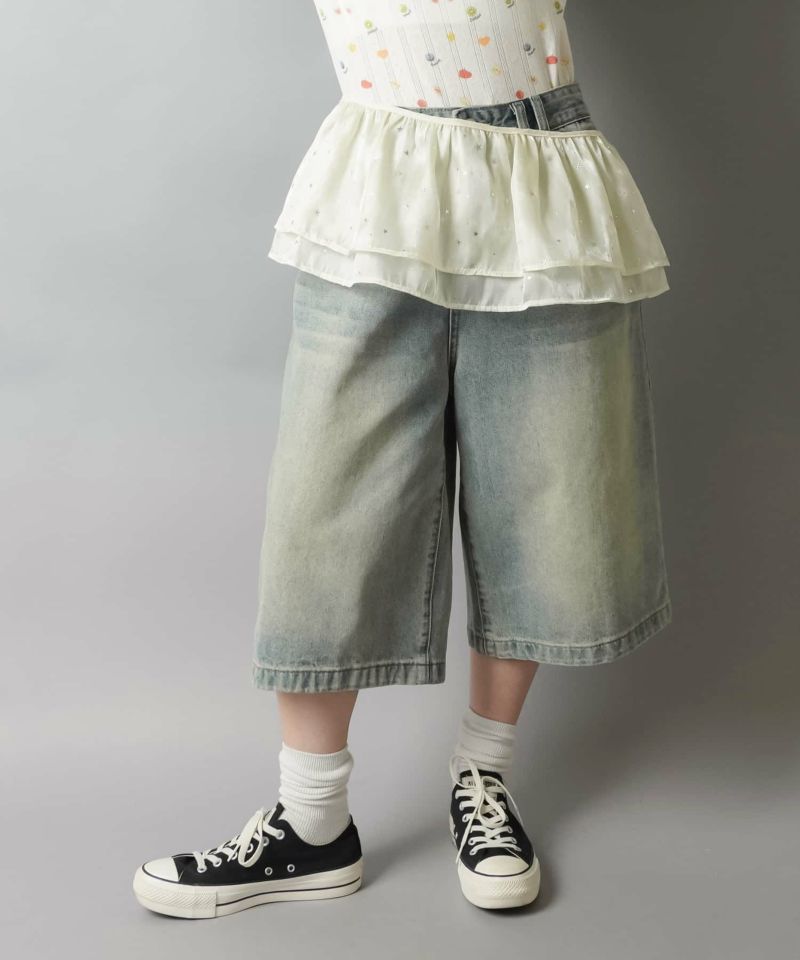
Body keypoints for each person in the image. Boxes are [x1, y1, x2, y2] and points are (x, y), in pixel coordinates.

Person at [133, 0, 673, 917]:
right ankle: (311, 822)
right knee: (329, 507)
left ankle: (484, 774)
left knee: (547, 496)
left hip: (540, 172)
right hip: (379, 179)